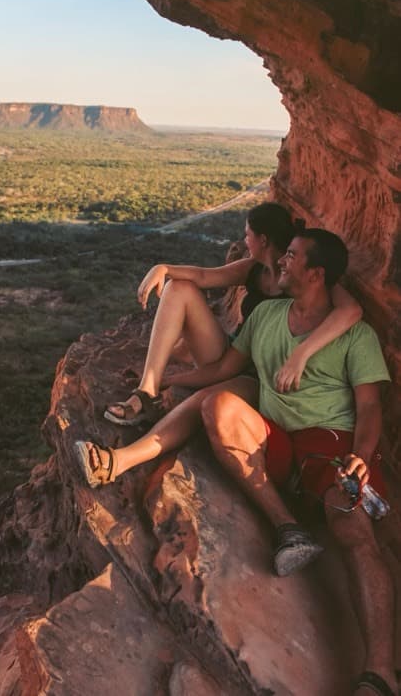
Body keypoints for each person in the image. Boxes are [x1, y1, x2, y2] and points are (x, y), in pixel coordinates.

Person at [76, 229, 395, 696]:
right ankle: (288, 528)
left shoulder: (355, 337)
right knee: (218, 407)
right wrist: (166, 379)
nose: (281, 263)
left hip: (333, 448)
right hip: (279, 441)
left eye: (292, 257)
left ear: (317, 273)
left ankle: (380, 672)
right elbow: (225, 370)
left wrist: (362, 458)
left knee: (351, 525)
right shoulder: (267, 314)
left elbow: (370, 409)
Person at [104, 202, 361, 426]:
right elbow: (204, 276)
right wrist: (162, 268)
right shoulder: (254, 269)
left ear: (263, 240)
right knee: (178, 287)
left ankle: (165, 371)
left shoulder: (301, 275)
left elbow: (351, 309)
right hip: (232, 354)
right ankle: (146, 390)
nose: (244, 241)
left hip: (260, 372)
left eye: (247, 235)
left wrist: (301, 354)